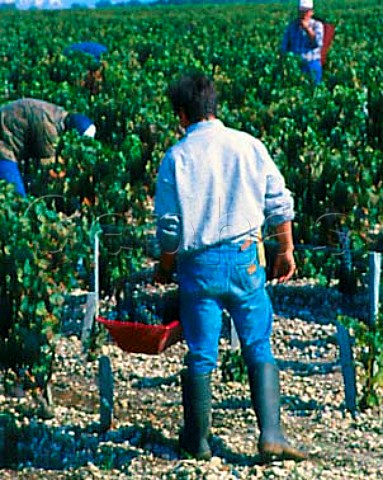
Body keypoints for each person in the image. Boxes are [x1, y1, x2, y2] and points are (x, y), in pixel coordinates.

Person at [154, 73, 308, 462]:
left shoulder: (177, 156)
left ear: (182, 114)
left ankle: (197, 441)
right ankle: (271, 434)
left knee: (201, 352)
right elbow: (279, 202)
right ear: (214, 107)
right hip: (246, 258)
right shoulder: (248, 145)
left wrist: (165, 265)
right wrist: (285, 249)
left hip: (200, 265)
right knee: (258, 343)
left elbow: (170, 227)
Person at [0, 98, 96, 197]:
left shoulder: (58, 116)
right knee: (16, 197)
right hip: (4, 146)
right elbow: (46, 167)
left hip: (12, 141)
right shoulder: (50, 130)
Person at [281, 0, 324, 84]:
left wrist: (307, 29)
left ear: (311, 12)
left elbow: (317, 42)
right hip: (296, 65)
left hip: (312, 63)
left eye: (306, 11)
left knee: (314, 89)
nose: (303, 14)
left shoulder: (317, 25)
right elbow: (284, 46)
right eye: (301, 11)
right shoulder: (292, 26)